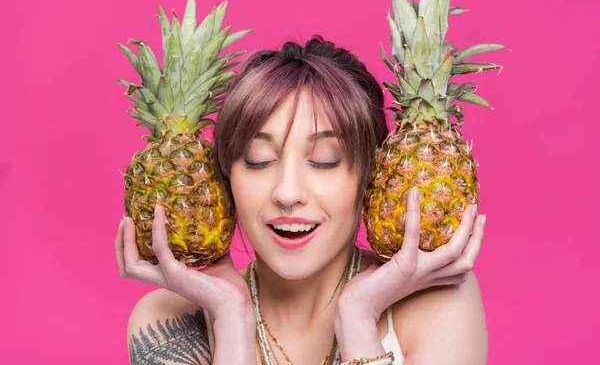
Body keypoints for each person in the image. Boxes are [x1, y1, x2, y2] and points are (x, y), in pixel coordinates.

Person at [116, 36, 487, 365]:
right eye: (259, 160)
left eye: (325, 160)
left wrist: (357, 317)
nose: (287, 194)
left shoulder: (440, 305)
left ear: (375, 175)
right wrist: (232, 318)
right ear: (223, 179)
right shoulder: (165, 318)